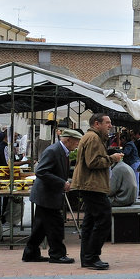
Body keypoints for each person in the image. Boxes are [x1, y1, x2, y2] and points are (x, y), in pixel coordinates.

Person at [21, 129, 82, 264]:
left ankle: (30, 253)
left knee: (41, 226)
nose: (77, 145)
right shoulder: (53, 150)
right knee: (56, 225)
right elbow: (41, 171)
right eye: (76, 142)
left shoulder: (63, 152)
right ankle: (57, 254)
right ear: (68, 140)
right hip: (46, 195)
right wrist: (62, 183)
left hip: (48, 195)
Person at [71, 113, 114, 270]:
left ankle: (87, 257)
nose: (110, 126)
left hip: (90, 184)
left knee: (90, 222)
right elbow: (92, 162)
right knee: (104, 218)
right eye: (107, 123)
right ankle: (92, 256)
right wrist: (112, 159)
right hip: (92, 185)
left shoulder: (93, 137)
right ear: (97, 124)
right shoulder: (93, 138)